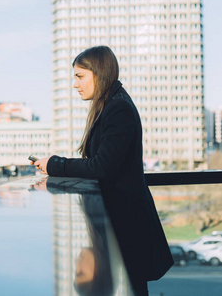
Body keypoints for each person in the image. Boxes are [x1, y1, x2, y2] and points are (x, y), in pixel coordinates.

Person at [33, 46, 173, 295]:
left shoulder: (117, 109)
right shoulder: (110, 105)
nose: (75, 84)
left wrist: (54, 164)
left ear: (99, 73)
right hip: (122, 221)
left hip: (126, 224)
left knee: (130, 286)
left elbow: (102, 166)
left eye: (80, 76)